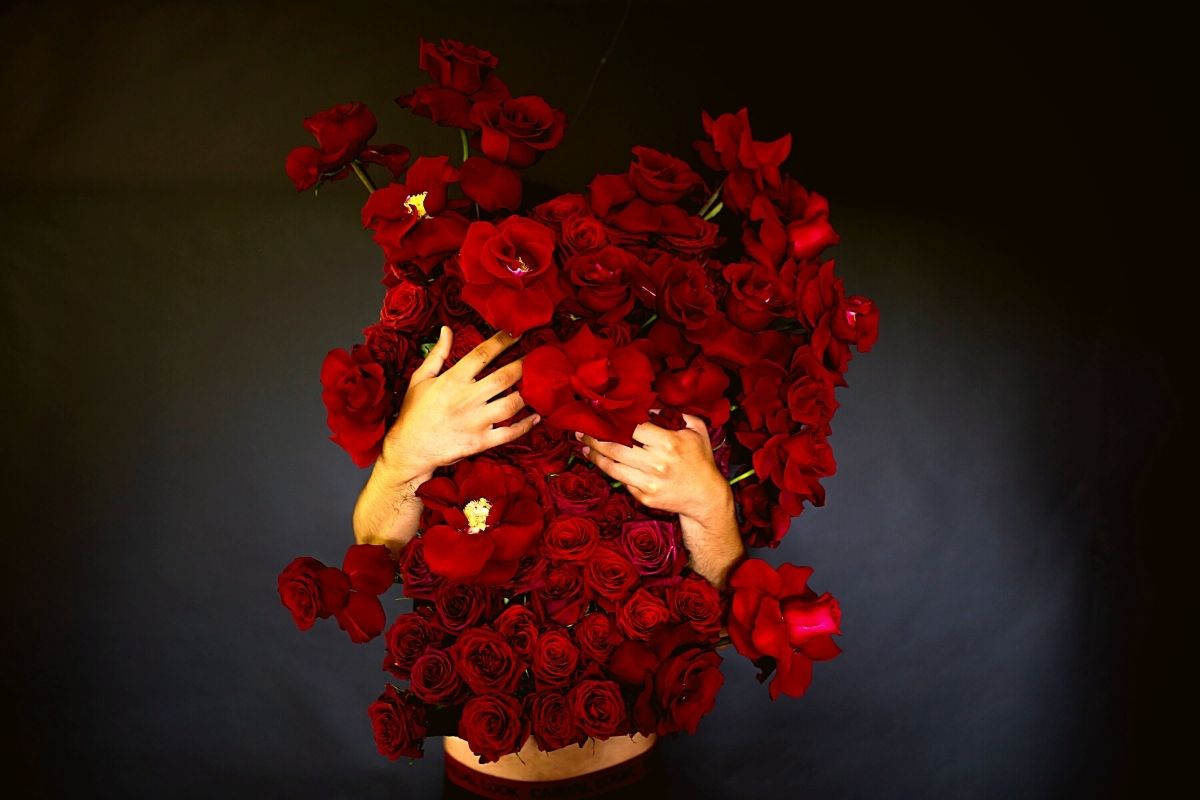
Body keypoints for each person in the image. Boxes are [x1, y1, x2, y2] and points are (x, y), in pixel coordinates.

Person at [353, 326, 746, 799]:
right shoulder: (453, 347)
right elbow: (375, 554)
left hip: (629, 778)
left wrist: (712, 508)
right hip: (478, 783)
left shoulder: (662, 356)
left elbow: (716, 631)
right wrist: (402, 457)